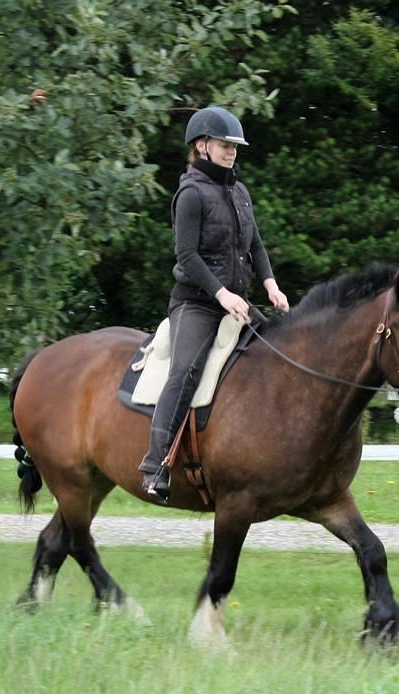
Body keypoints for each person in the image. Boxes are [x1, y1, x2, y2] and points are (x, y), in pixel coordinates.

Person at [139, 105, 289, 498]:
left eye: (235, 146)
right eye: (225, 145)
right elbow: (187, 256)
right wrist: (222, 295)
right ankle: (155, 466)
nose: (232, 152)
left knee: (276, 351)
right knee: (186, 371)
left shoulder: (239, 191)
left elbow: (254, 243)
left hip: (234, 302)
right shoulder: (190, 193)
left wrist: (271, 284)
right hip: (197, 304)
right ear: (202, 146)